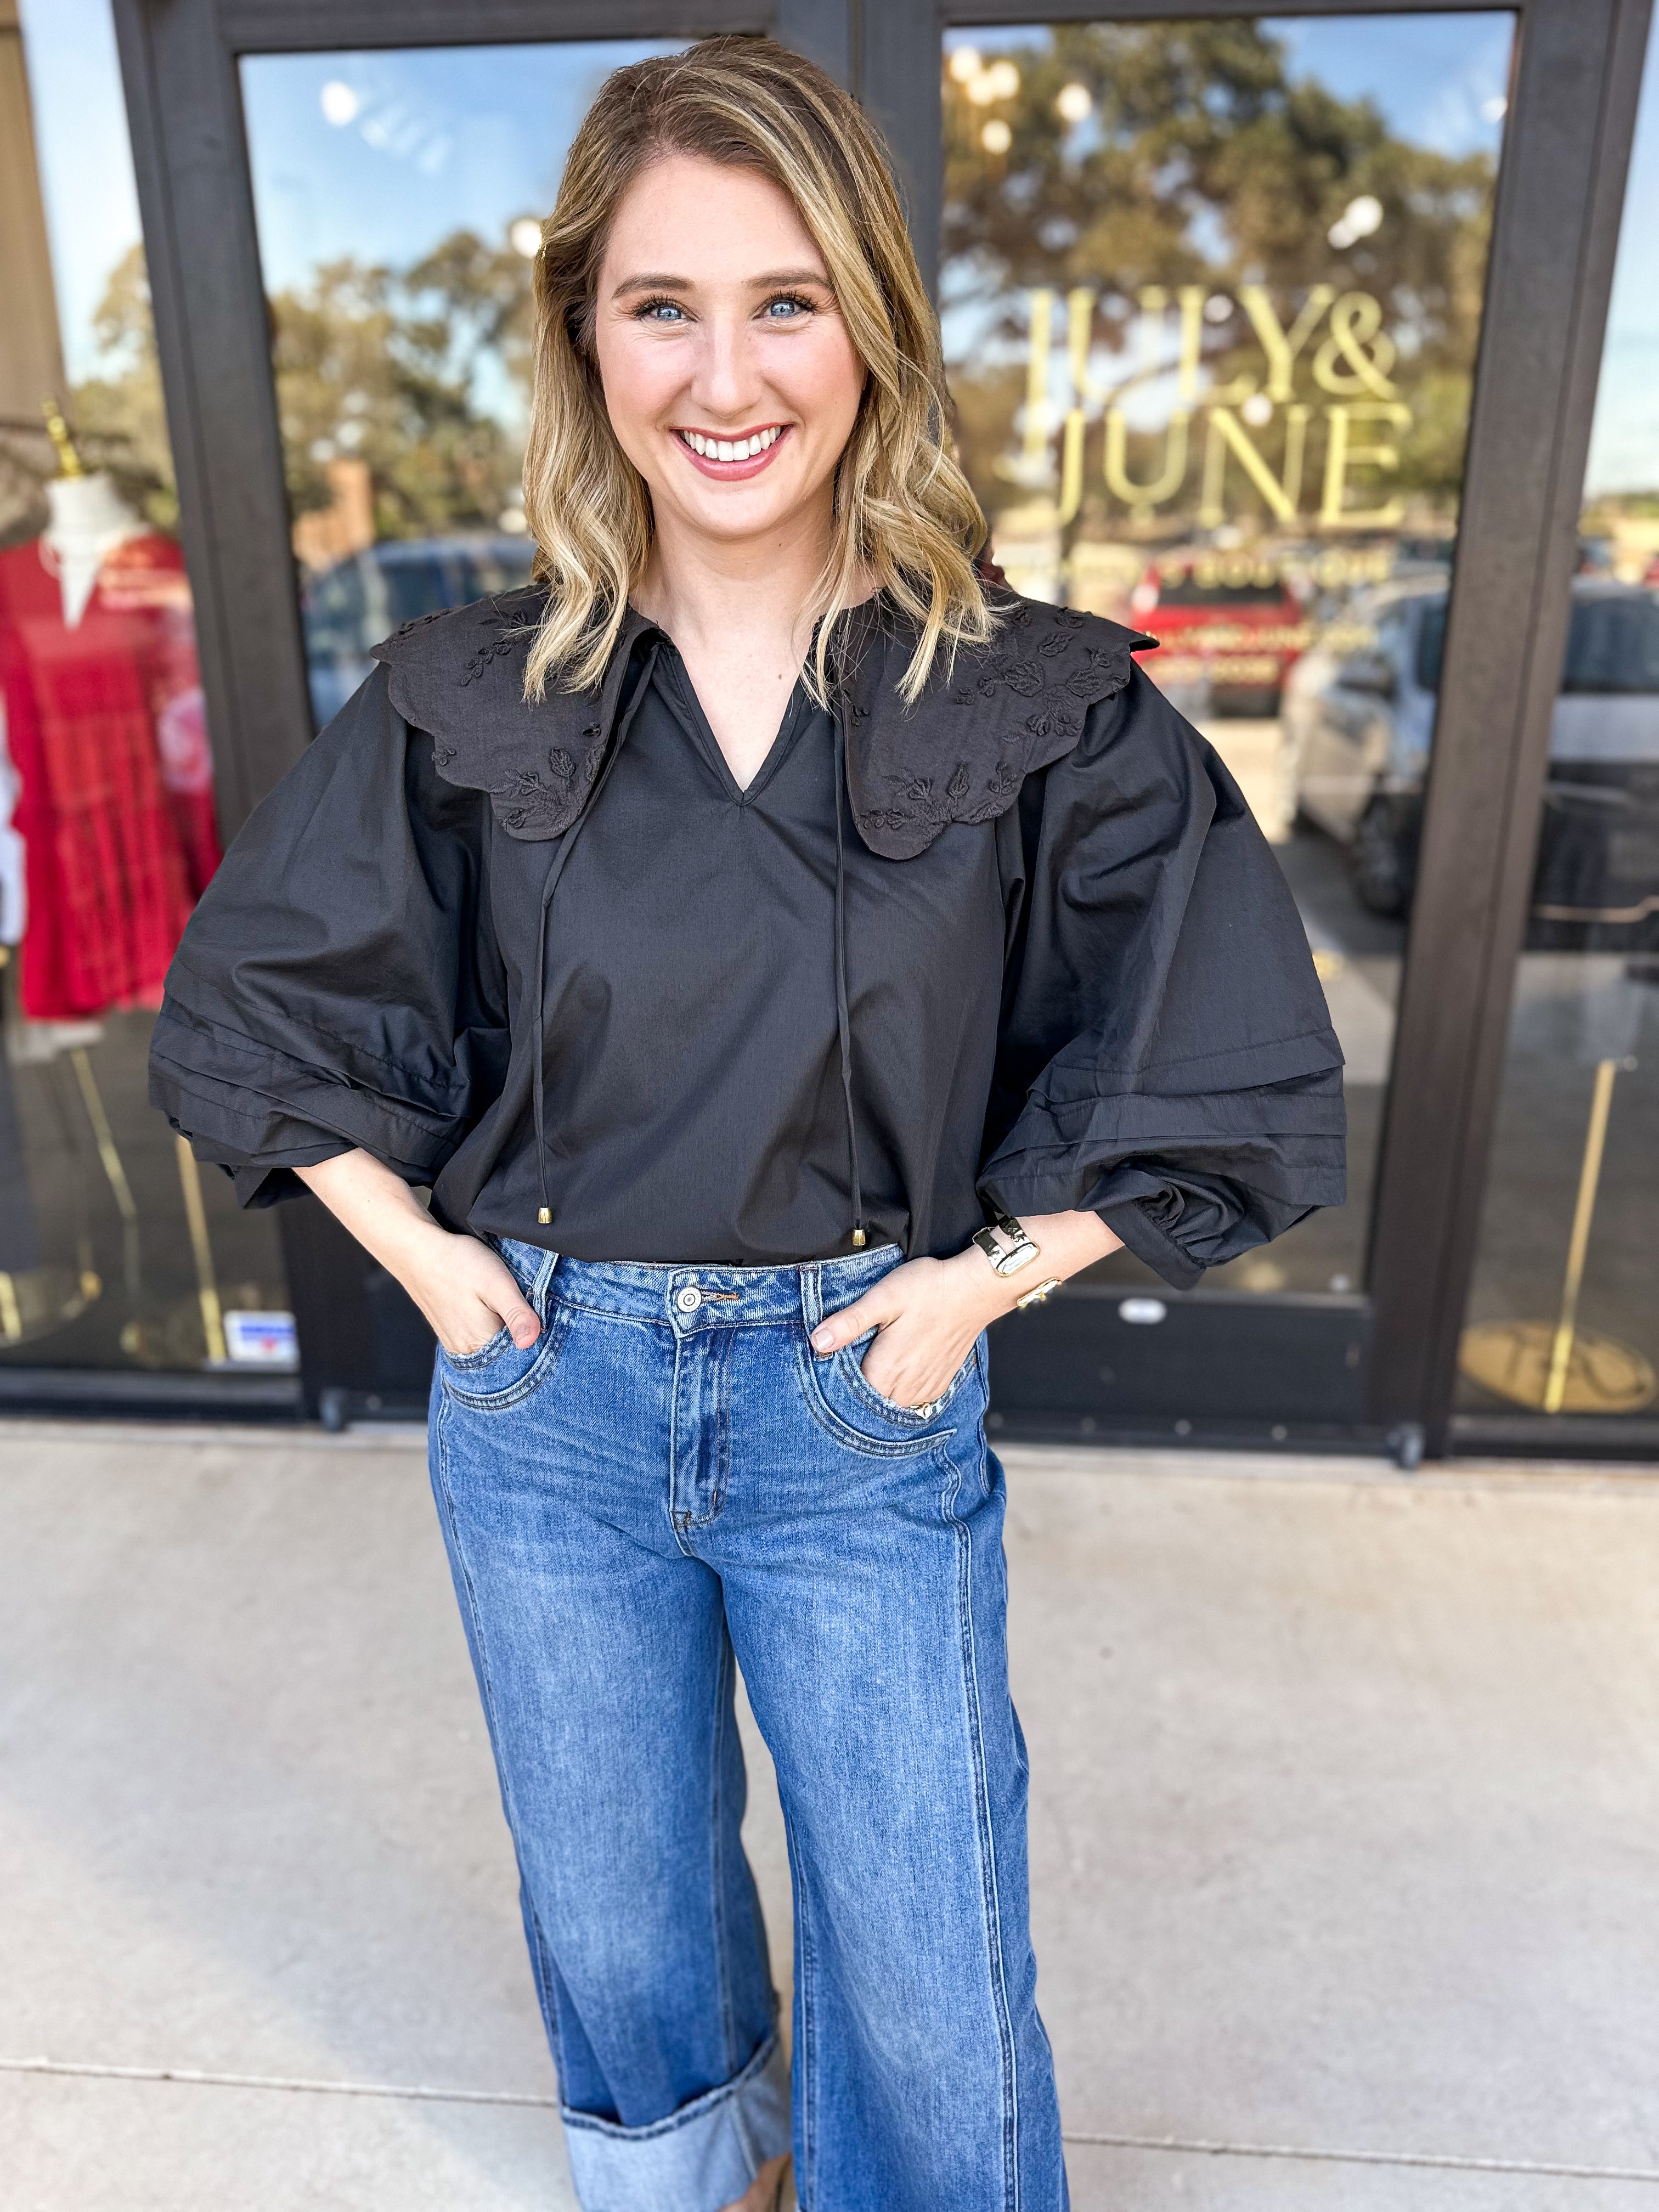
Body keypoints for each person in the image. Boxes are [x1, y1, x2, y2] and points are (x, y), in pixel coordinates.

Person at [149, 36, 1344, 2212]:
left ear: (872, 332)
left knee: (928, 1948)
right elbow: (257, 1009)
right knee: (619, 1921)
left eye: (785, 300)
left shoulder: (1036, 702)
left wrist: (977, 1292)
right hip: (548, 1401)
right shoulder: (460, 695)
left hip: (852, 1405)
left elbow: (1224, 1054)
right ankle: (700, 2184)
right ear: (585, 337)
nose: (725, 374)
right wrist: (436, 1273)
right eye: (660, 304)